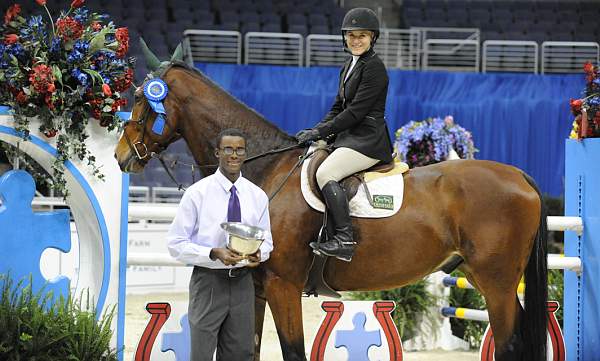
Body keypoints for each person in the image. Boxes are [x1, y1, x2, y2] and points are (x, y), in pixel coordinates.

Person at [295, 8, 393, 262]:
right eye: (351, 35)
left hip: (367, 140)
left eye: (362, 35)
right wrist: (317, 130)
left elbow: (356, 113)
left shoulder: (375, 68)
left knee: (326, 173)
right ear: (344, 38)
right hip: (350, 136)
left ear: (372, 38)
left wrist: (322, 131)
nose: (356, 40)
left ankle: (344, 239)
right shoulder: (348, 66)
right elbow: (339, 107)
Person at [167, 128, 273, 361]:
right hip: (208, 282)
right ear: (217, 153)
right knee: (202, 354)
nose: (234, 155)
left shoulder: (258, 196)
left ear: (245, 154)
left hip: (244, 283)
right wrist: (213, 253)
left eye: (239, 150)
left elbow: (268, 243)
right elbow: (175, 243)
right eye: (228, 149)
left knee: (242, 354)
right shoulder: (197, 194)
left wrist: (258, 254)